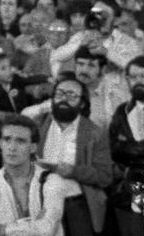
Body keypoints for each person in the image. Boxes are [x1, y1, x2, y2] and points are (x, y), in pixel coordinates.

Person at [28, 77, 112, 236]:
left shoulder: (94, 133)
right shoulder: (39, 126)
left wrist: (73, 171)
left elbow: (105, 176)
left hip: (77, 204)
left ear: (82, 103)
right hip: (41, 200)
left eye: (72, 96)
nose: (64, 99)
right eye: (59, 94)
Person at [0, 115, 68, 236]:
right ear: (1, 143)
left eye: (20, 141)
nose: (12, 147)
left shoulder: (52, 181)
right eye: (7, 139)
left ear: (33, 147)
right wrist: (34, 225)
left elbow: (47, 229)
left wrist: (2, 229)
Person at [108, 55, 144, 236]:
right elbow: (114, 153)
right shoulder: (121, 113)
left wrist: (133, 154)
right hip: (131, 191)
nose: (138, 81)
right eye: (133, 77)